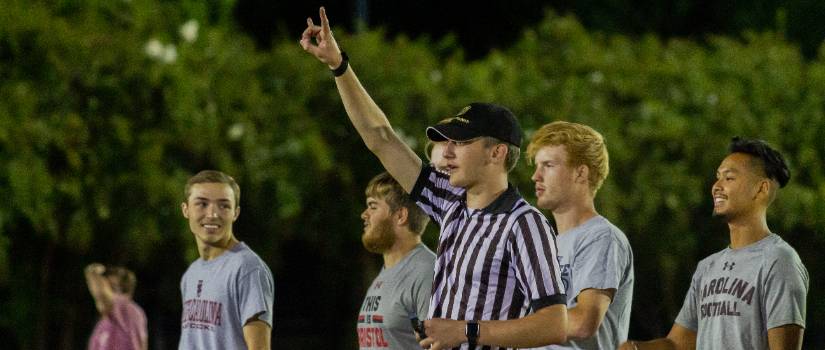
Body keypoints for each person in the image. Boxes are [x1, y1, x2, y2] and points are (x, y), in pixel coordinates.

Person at [301, 8, 568, 350]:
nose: (448, 152)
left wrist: (465, 332)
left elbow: (555, 323)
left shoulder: (523, 224)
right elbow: (380, 138)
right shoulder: (451, 203)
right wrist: (339, 66)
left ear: (496, 153)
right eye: (448, 142)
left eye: (461, 143)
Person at [620, 137, 808, 350]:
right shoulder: (708, 267)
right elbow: (677, 344)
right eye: (717, 178)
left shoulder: (779, 260)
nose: (716, 187)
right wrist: (636, 348)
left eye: (729, 178)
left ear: (761, 189)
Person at [525, 121, 634, 349]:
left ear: (580, 173)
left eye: (548, 165)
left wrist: (495, 330)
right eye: (537, 166)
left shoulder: (601, 237)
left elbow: (583, 323)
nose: (536, 176)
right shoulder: (546, 247)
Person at [178, 170, 275, 350]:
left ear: (235, 213)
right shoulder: (191, 274)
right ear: (186, 210)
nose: (213, 214)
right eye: (202, 204)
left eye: (224, 206)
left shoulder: (247, 269)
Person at [357, 172, 436, 349]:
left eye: (373, 206)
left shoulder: (426, 272)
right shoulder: (387, 272)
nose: (364, 214)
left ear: (400, 216)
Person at [85, 263, 148, 350]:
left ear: (116, 286)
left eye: (105, 281)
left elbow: (102, 295)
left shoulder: (124, 307)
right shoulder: (107, 320)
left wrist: (92, 272)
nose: (103, 283)